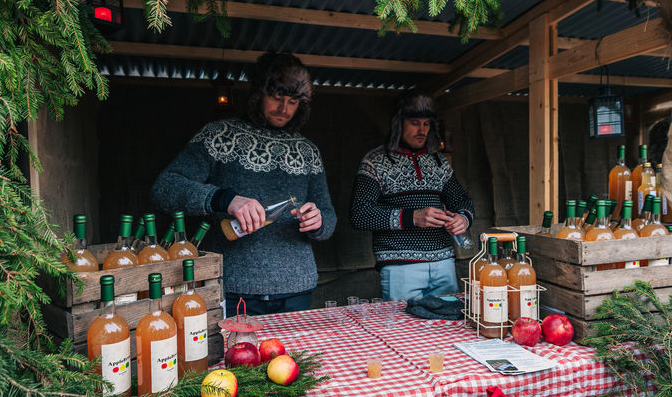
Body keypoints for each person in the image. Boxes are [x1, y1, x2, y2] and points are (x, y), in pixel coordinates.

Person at [150, 52, 336, 316]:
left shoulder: (308, 151)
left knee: (292, 359)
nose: (284, 108)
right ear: (258, 93)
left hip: (297, 289)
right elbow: (164, 188)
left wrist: (317, 221)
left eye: (292, 101)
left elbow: (329, 217)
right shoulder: (219, 136)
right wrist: (225, 199)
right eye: (276, 98)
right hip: (232, 287)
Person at [349, 90, 474, 301]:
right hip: (400, 267)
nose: (422, 130)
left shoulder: (438, 161)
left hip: (444, 263)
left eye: (426, 124)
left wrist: (463, 218)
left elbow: (462, 200)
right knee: (403, 328)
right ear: (398, 123)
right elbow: (360, 214)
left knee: (449, 325)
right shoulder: (375, 161)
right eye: (415, 122)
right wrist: (413, 217)